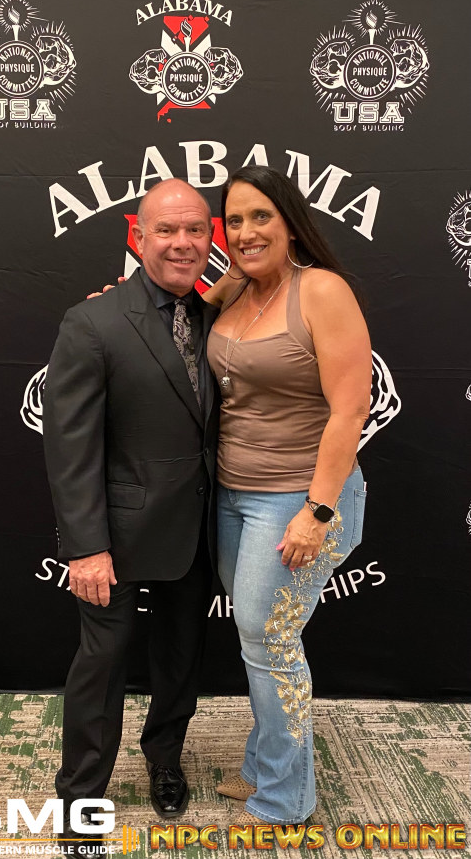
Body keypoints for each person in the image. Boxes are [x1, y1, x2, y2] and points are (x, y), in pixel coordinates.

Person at [42, 179, 220, 851]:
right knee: (103, 663)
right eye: (166, 230)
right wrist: (86, 546)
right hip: (114, 537)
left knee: (180, 657)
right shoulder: (93, 321)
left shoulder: (219, 317)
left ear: (210, 237)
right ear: (138, 237)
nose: (182, 243)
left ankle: (165, 759)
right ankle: (80, 796)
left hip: (197, 529)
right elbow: (71, 446)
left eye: (195, 229)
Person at [204, 165, 371, 825]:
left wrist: (317, 511)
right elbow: (172, 320)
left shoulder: (321, 290)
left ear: (290, 222)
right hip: (232, 494)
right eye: (234, 220)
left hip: (298, 499)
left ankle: (285, 795)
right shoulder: (236, 289)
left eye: (260, 216)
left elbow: (350, 409)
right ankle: (263, 765)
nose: (246, 231)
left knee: (269, 641)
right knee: (259, 640)